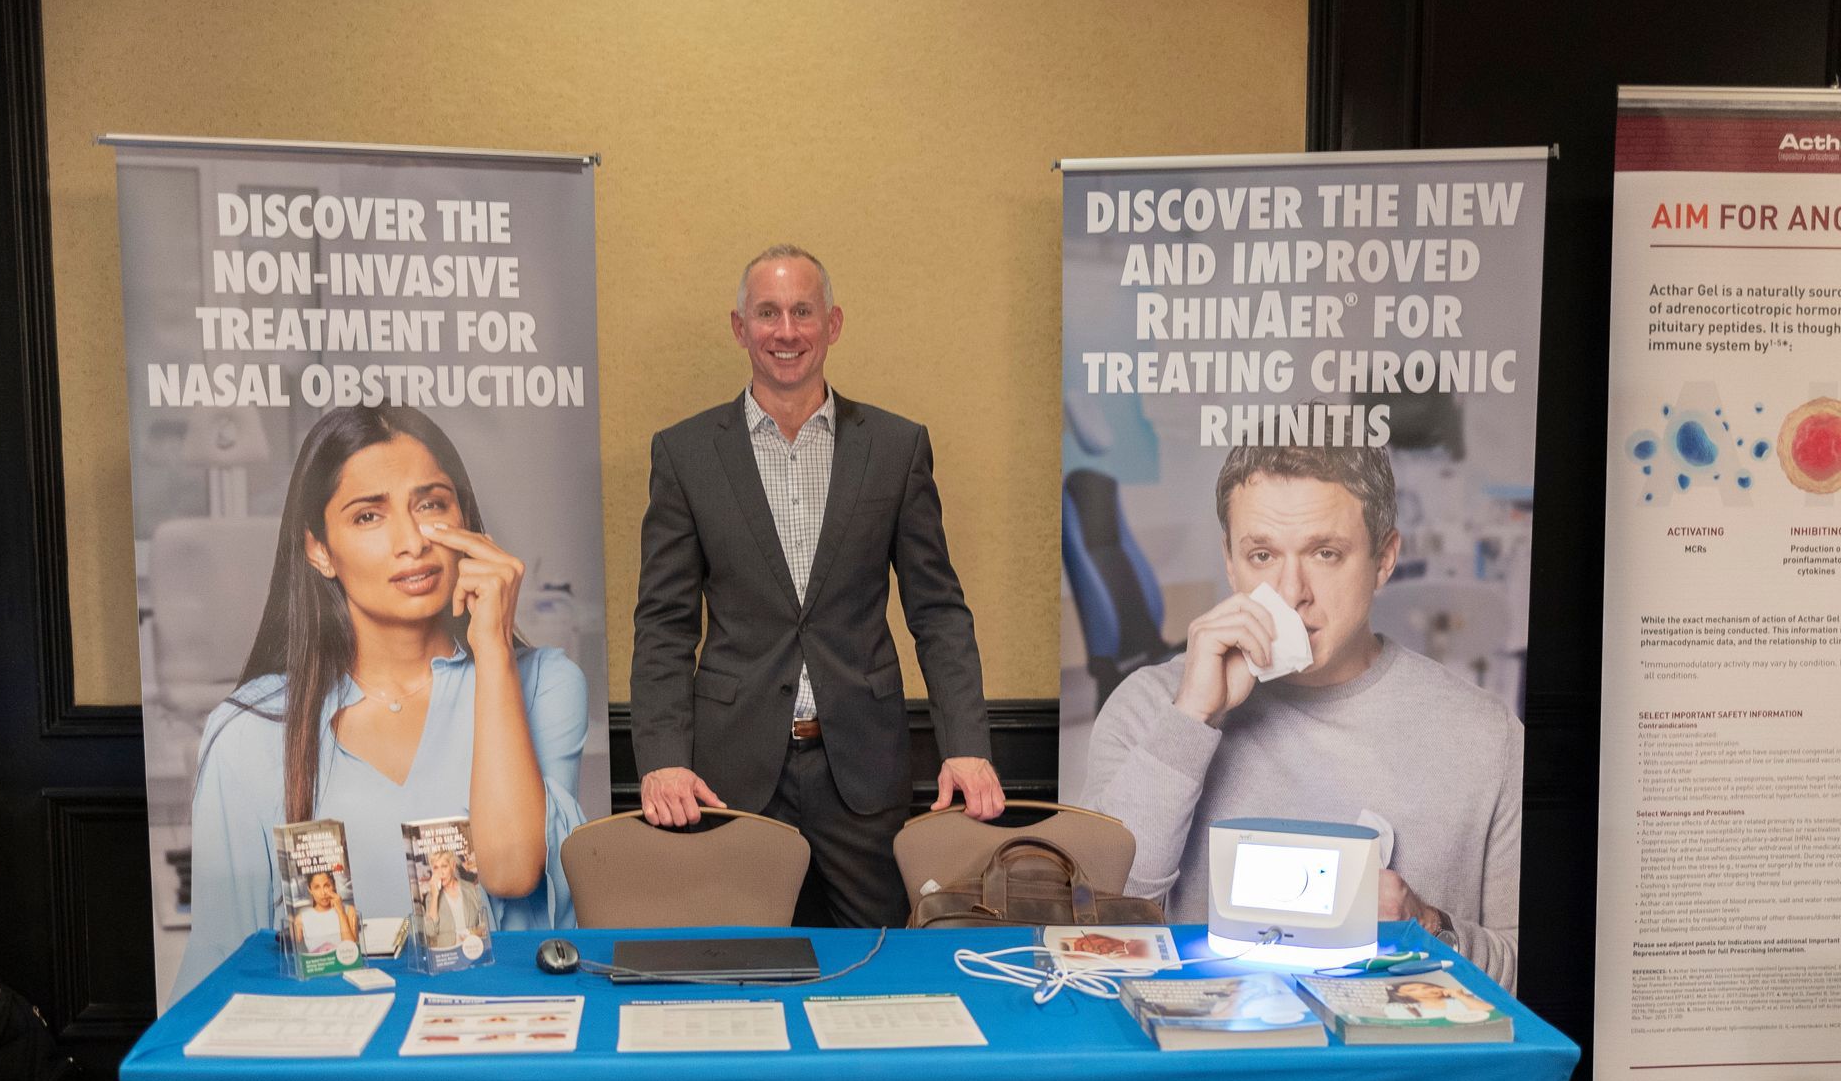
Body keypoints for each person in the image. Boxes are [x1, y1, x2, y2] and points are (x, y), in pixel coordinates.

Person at [630, 245, 1004, 926]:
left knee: (880, 969)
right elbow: (664, 624)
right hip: (730, 775)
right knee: (741, 970)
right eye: (767, 313)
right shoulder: (685, 455)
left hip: (862, 769)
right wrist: (659, 759)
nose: (786, 331)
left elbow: (939, 611)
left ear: (832, 324)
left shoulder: (895, 448)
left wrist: (968, 744)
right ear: (740, 328)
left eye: (803, 311)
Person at [1081, 439, 1522, 990]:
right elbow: (1093, 934)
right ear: (1230, 562)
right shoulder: (1149, 708)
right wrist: (1191, 719)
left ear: (1384, 559)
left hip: (1401, 1069)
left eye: (1325, 553)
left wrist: (1427, 929)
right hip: (1206, 1065)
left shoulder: (1485, 734)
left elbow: (1525, 979)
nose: (1291, 593)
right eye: (1262, 556)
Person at [179, 403, 588, 993]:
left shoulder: (543, 685)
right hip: (329, 1063)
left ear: (466, 522)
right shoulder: (250, 728)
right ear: (319, 549)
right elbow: (219, 965)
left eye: (431, 505)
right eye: (369, 515)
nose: (411, 541)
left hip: (500, 1045)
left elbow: (511, 871)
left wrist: (494, 649)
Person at [420, 849, 487, 950]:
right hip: (448, 954)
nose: (440, 873)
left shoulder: (471, 889)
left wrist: (473, 933)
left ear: (453, 866)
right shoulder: (431, 898)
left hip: (473, 948)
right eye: (436, 868)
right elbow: (430, 932)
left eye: (444, 866)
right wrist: (435, 896)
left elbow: (485, 924)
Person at [293, 869, 360, 954]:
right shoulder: (301, 918)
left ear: (333, 885)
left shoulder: (349, 911)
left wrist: (341, 913)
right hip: (318, 965)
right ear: (310, 890)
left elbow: (351, 953)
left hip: (345, 965)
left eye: (327, 886)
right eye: (317, 887)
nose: (323, 893)